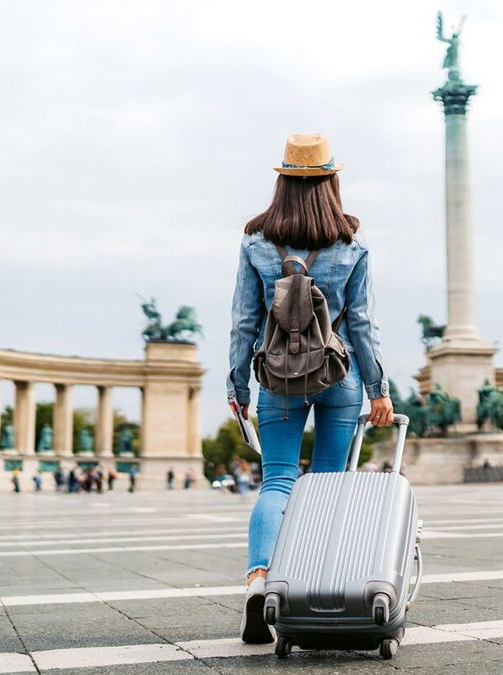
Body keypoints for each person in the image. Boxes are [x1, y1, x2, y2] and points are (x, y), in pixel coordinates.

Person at [226, 134, 392, 645]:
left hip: (277, 378)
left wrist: (238, 385)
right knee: (323, 487)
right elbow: (362, 324)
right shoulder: (351, 244)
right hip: (337, 378)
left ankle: (259, 579)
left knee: (277, 481)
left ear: (283, 181)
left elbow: (244, 322)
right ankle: (308, 586)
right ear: (331, 180)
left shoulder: (256, 242)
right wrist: (378, 388)